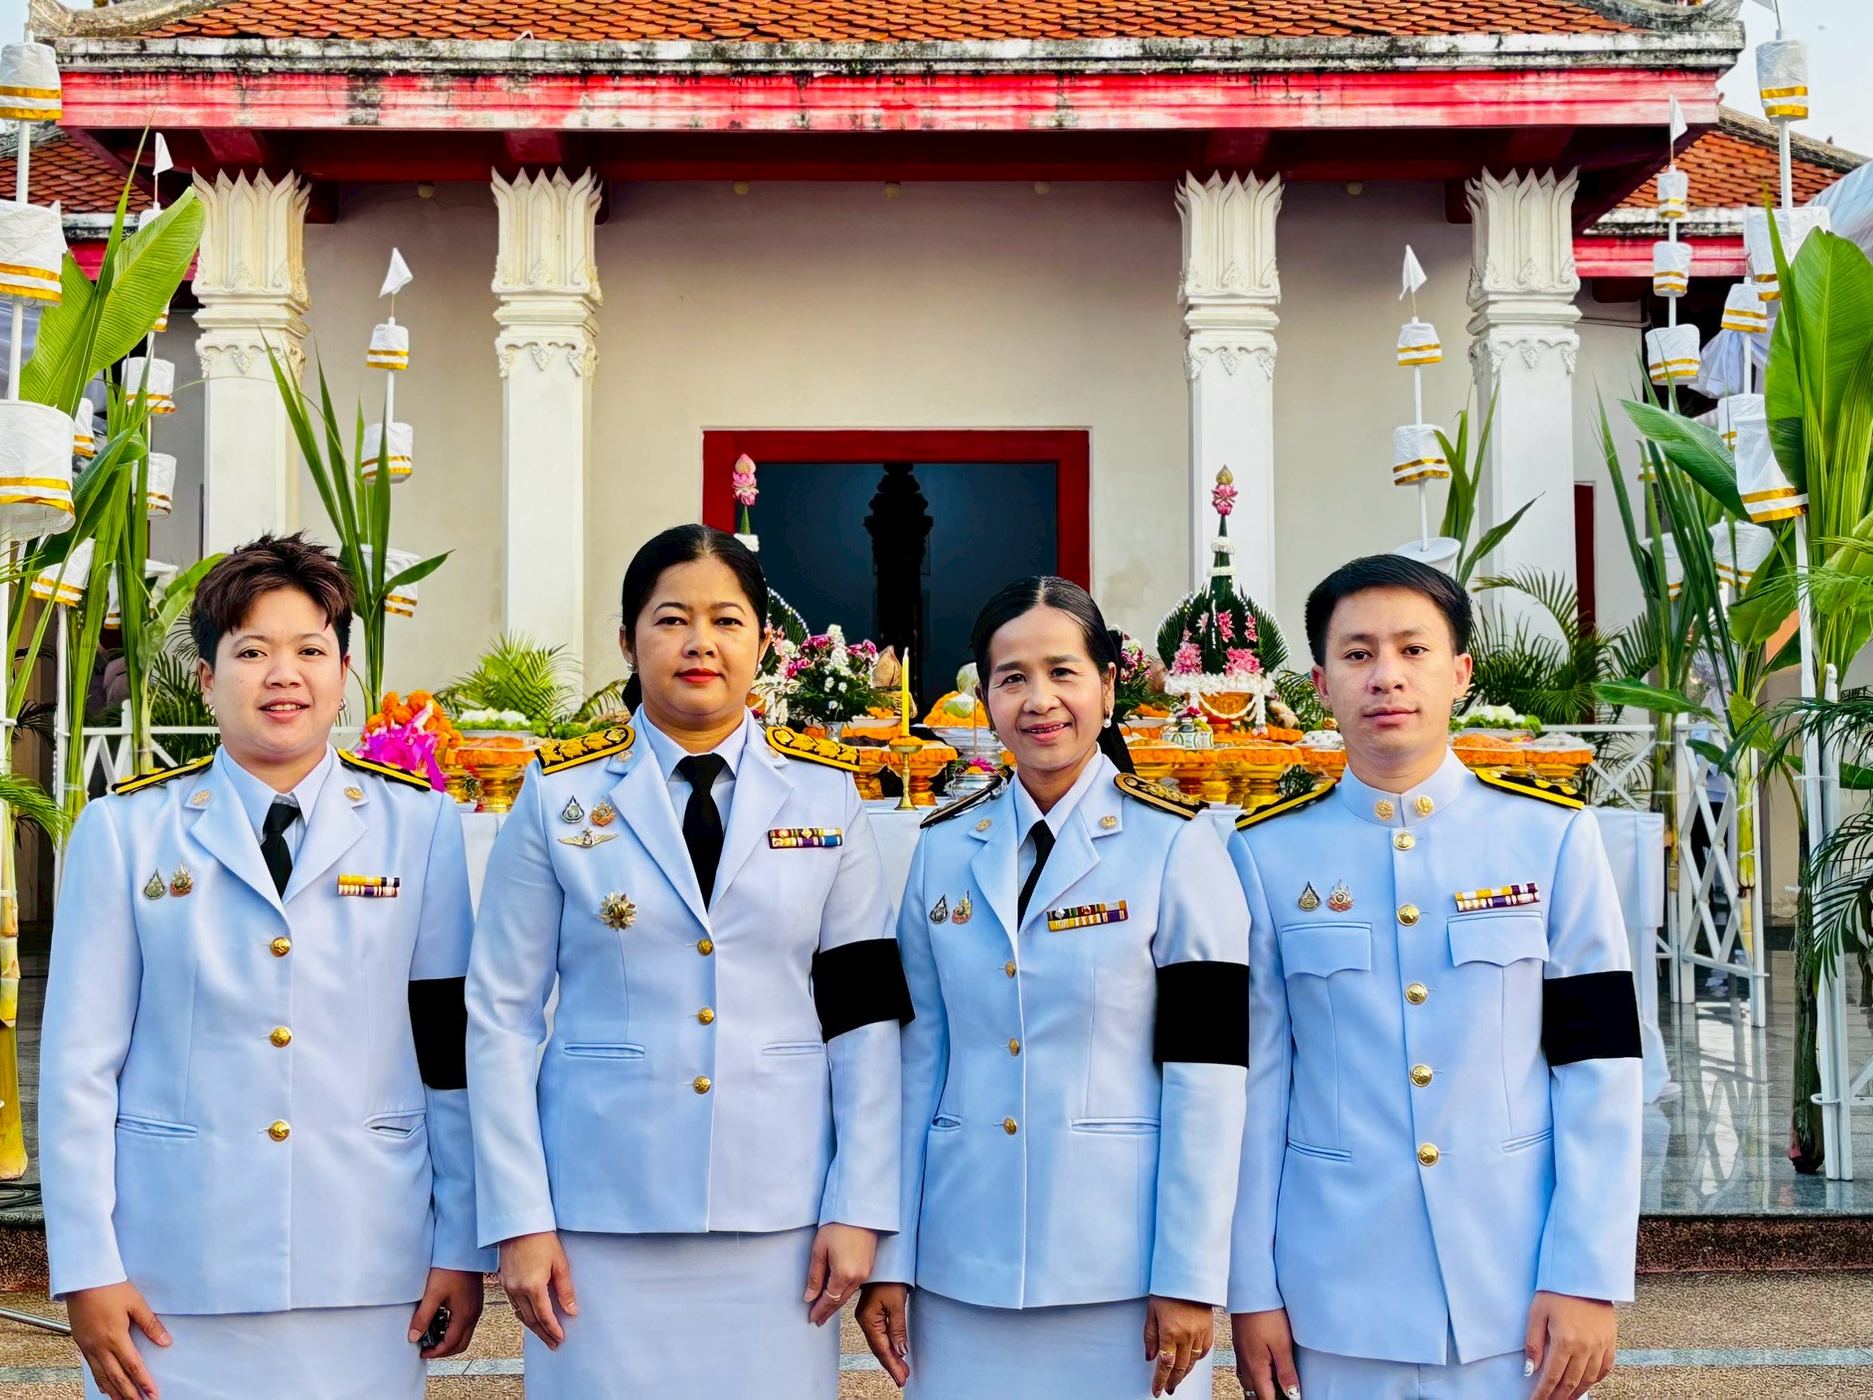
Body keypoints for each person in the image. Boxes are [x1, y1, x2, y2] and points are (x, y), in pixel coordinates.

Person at [40, 536, 489, 1400]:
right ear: (207, 680)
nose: (284, 675)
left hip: (366, 1255)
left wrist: (458, 1244)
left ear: (346, 672)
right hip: (173, 1260)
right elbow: (78, 1069)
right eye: (251, 652)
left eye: (310, 651)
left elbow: (448, 1051)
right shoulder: (125, 832)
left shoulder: (419, 826)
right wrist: (85, 1266)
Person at [467, 523, 908, 1400]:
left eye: (727, 620)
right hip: (599, 1210)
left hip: (779, 1207)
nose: (700, 642)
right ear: (627, 639)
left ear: (764, 644)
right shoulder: (557, 797)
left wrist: (860, 1203)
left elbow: (863, 1017)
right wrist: (520, 1216)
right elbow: (501, 1016)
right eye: (671, 619)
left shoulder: (826, 794)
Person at [1227, 555, 1641, 1400]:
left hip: (1517, 1283)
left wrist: (1589, 1270)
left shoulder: (1549, 839)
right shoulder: (1264, 854)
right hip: (1335, 1288)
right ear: (1320, 682)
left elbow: (1601, 1069)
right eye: (1357, 654)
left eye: (1414, 650)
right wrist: (1251, 1289)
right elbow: (1257, 1086)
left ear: (1458, 673)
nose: (1387, 677)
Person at [857, 577, 1250, 1399]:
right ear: (983, 698)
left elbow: (1208, 1078)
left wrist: (1189, 1273)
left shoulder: (1176, 848)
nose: (1040, 701)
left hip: (1120, 1264)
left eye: (1064, 673)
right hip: (959, 1260)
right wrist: (889, 1255)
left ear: (1108, 686)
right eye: (1012, 678)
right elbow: (915, 1061)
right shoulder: (941, 847)